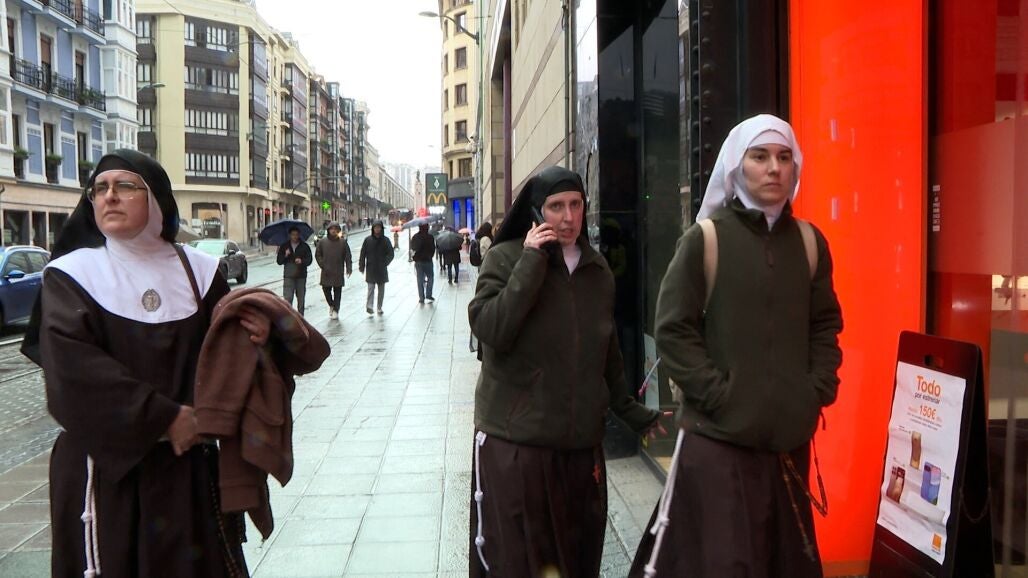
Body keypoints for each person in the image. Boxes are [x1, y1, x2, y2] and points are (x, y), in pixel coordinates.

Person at [21, 149, 268, 577]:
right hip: (106, 474)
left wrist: (259, 336)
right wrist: (164, 418)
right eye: (100, 188)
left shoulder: (201, 272)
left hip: (187, 469)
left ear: (155, 199)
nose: (109, 196)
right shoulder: (71, 275)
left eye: (125, 186)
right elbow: (73, 370)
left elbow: (230, 353)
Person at [629, 114, 843, 578]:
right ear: (736, 165)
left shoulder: (810, 244)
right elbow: (673, 329)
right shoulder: (705, 240)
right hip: (717, 447)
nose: (774, 168)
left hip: (786, 448)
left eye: (783, 157)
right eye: (760, 156)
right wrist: (720, 396)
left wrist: (814, 391)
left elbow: (825, 325)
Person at [468, 165, 666, 577]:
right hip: (518, 443)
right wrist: (531, 262)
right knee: (519, 563)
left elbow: (606, 352)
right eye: (556, 206)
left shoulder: (597, 270)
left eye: (576, 205)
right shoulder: (505, 258)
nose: (568, 217)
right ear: (536, 212)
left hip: (579, 447)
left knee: (578, 559)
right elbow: (492, 330)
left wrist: (633, 413)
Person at [314, 222, 352, 319]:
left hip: (338, 270)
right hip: (326, 271)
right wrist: (323, 264)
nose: (333, 231)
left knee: (337, 291)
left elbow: (348, 256)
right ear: (328, 230)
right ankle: (331, 304)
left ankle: (336, 310)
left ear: (338, 230)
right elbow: (318, 255)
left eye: (335, 229)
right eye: (332, 229)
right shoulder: (322, 242)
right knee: (326, 289)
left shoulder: (343, 242)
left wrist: (349, 268)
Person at [359, 220, 393, 315]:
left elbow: (391, 253)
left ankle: (379, 307)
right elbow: (363, 254)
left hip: (382, 269)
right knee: (371, 288)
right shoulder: (368, 240)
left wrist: (385, 262)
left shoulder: (386, 240)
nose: (377, 229)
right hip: (371, 268)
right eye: (375, 227)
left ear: (381, 229)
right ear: (373, 229)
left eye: (379, 227)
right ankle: (369, 306)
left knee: (381, 289)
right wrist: (361, 266)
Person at [276, 226, 313, 316]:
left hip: (301, 276)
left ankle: (300, 317)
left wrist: (302, 261)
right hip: (289, 276)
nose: (295, 236)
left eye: (296, 234)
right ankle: (289, 317)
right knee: (288, 298)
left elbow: (309, 260)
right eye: (293, 235)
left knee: (301, 298)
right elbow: (279, 261)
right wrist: (285, 255)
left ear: (299, 235)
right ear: (290, 235)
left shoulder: (304, 246)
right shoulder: (284, 246)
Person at [410, 222, 436, 304]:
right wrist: (430, 256)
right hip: (428, 260)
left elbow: (413, 247)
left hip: (418, 261)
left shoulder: (415, 237)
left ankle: (421, 297)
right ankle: (428, 294)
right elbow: (433, 248)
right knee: (430, 277)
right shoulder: (430, 237)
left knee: (420, 279)